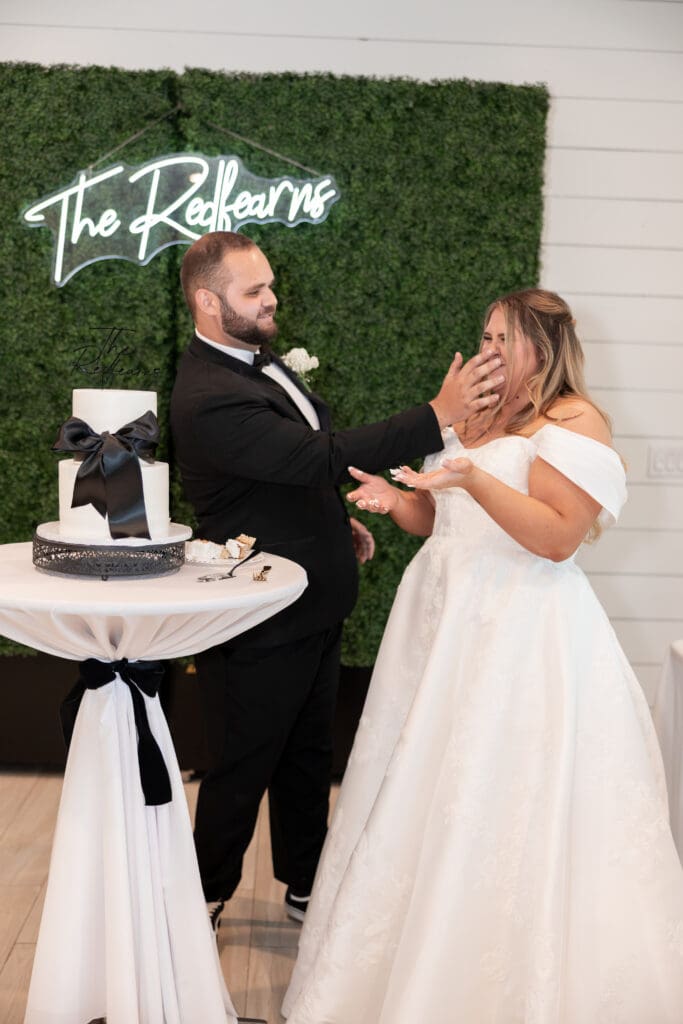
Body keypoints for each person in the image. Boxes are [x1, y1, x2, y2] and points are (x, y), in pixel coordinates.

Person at [282, 288, 683, 1023]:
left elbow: (556, 537)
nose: (488, 348)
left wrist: (472, 476)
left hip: (516, 628)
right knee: (418, 783)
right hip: (440, 618)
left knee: (494, 791)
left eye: (504, 337)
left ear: (542, 346)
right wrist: (395, 497)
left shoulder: (572, 420)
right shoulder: (473, 413)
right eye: (485, 334)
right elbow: (439, 521)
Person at [169, 230, 505, 929]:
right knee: (243, 761)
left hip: (310, 598)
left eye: (269, 285)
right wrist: (437, 416)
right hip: (258, 610)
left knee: (306, 754)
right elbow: (318, 455)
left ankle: (303, 886)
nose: (272, 298)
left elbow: (288, 471)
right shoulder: (209, 394)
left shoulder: (254, 364)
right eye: (254, 290)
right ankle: (198, 900)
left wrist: (330, 524)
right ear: (207, 301)